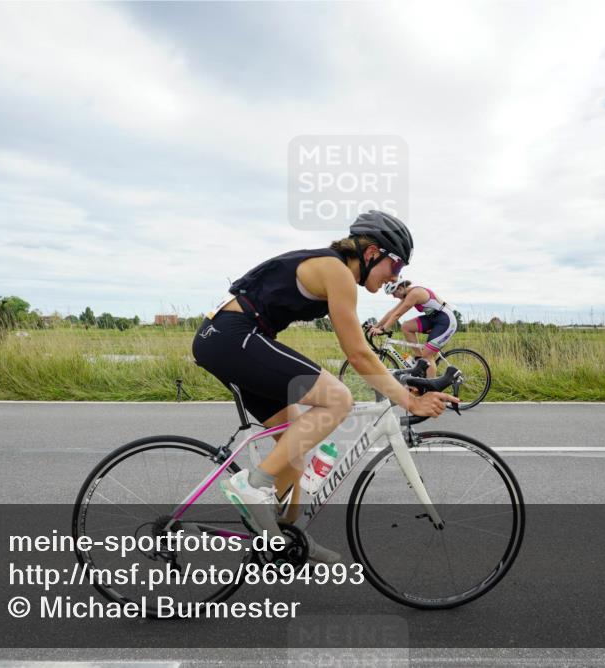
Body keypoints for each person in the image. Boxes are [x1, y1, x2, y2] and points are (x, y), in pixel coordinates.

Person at [192, 211, 457, 563]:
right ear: (371, 253)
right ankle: (250, 487)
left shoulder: (333, 270)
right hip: (234, 335)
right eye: (395, 266)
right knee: (338, 400)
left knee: (292, 454)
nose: (396, 276)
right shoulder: (337, 272)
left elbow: (361, 348)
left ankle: (286, 541)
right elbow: (358, 355)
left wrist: (401, 380)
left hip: (227, 339)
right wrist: (408, 402)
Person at [369, 280, 457, 378]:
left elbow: (397, 314)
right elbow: (392, 312)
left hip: (445, 321)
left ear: (400, 288)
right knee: (406, 326)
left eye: (393, 293)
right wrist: (376, 326)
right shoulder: (408, 295)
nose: (393, 296)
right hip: (433, 318)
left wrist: (383, 329)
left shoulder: (415, 293)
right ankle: (421, 363)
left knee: (427, 356)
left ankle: (431, 389)